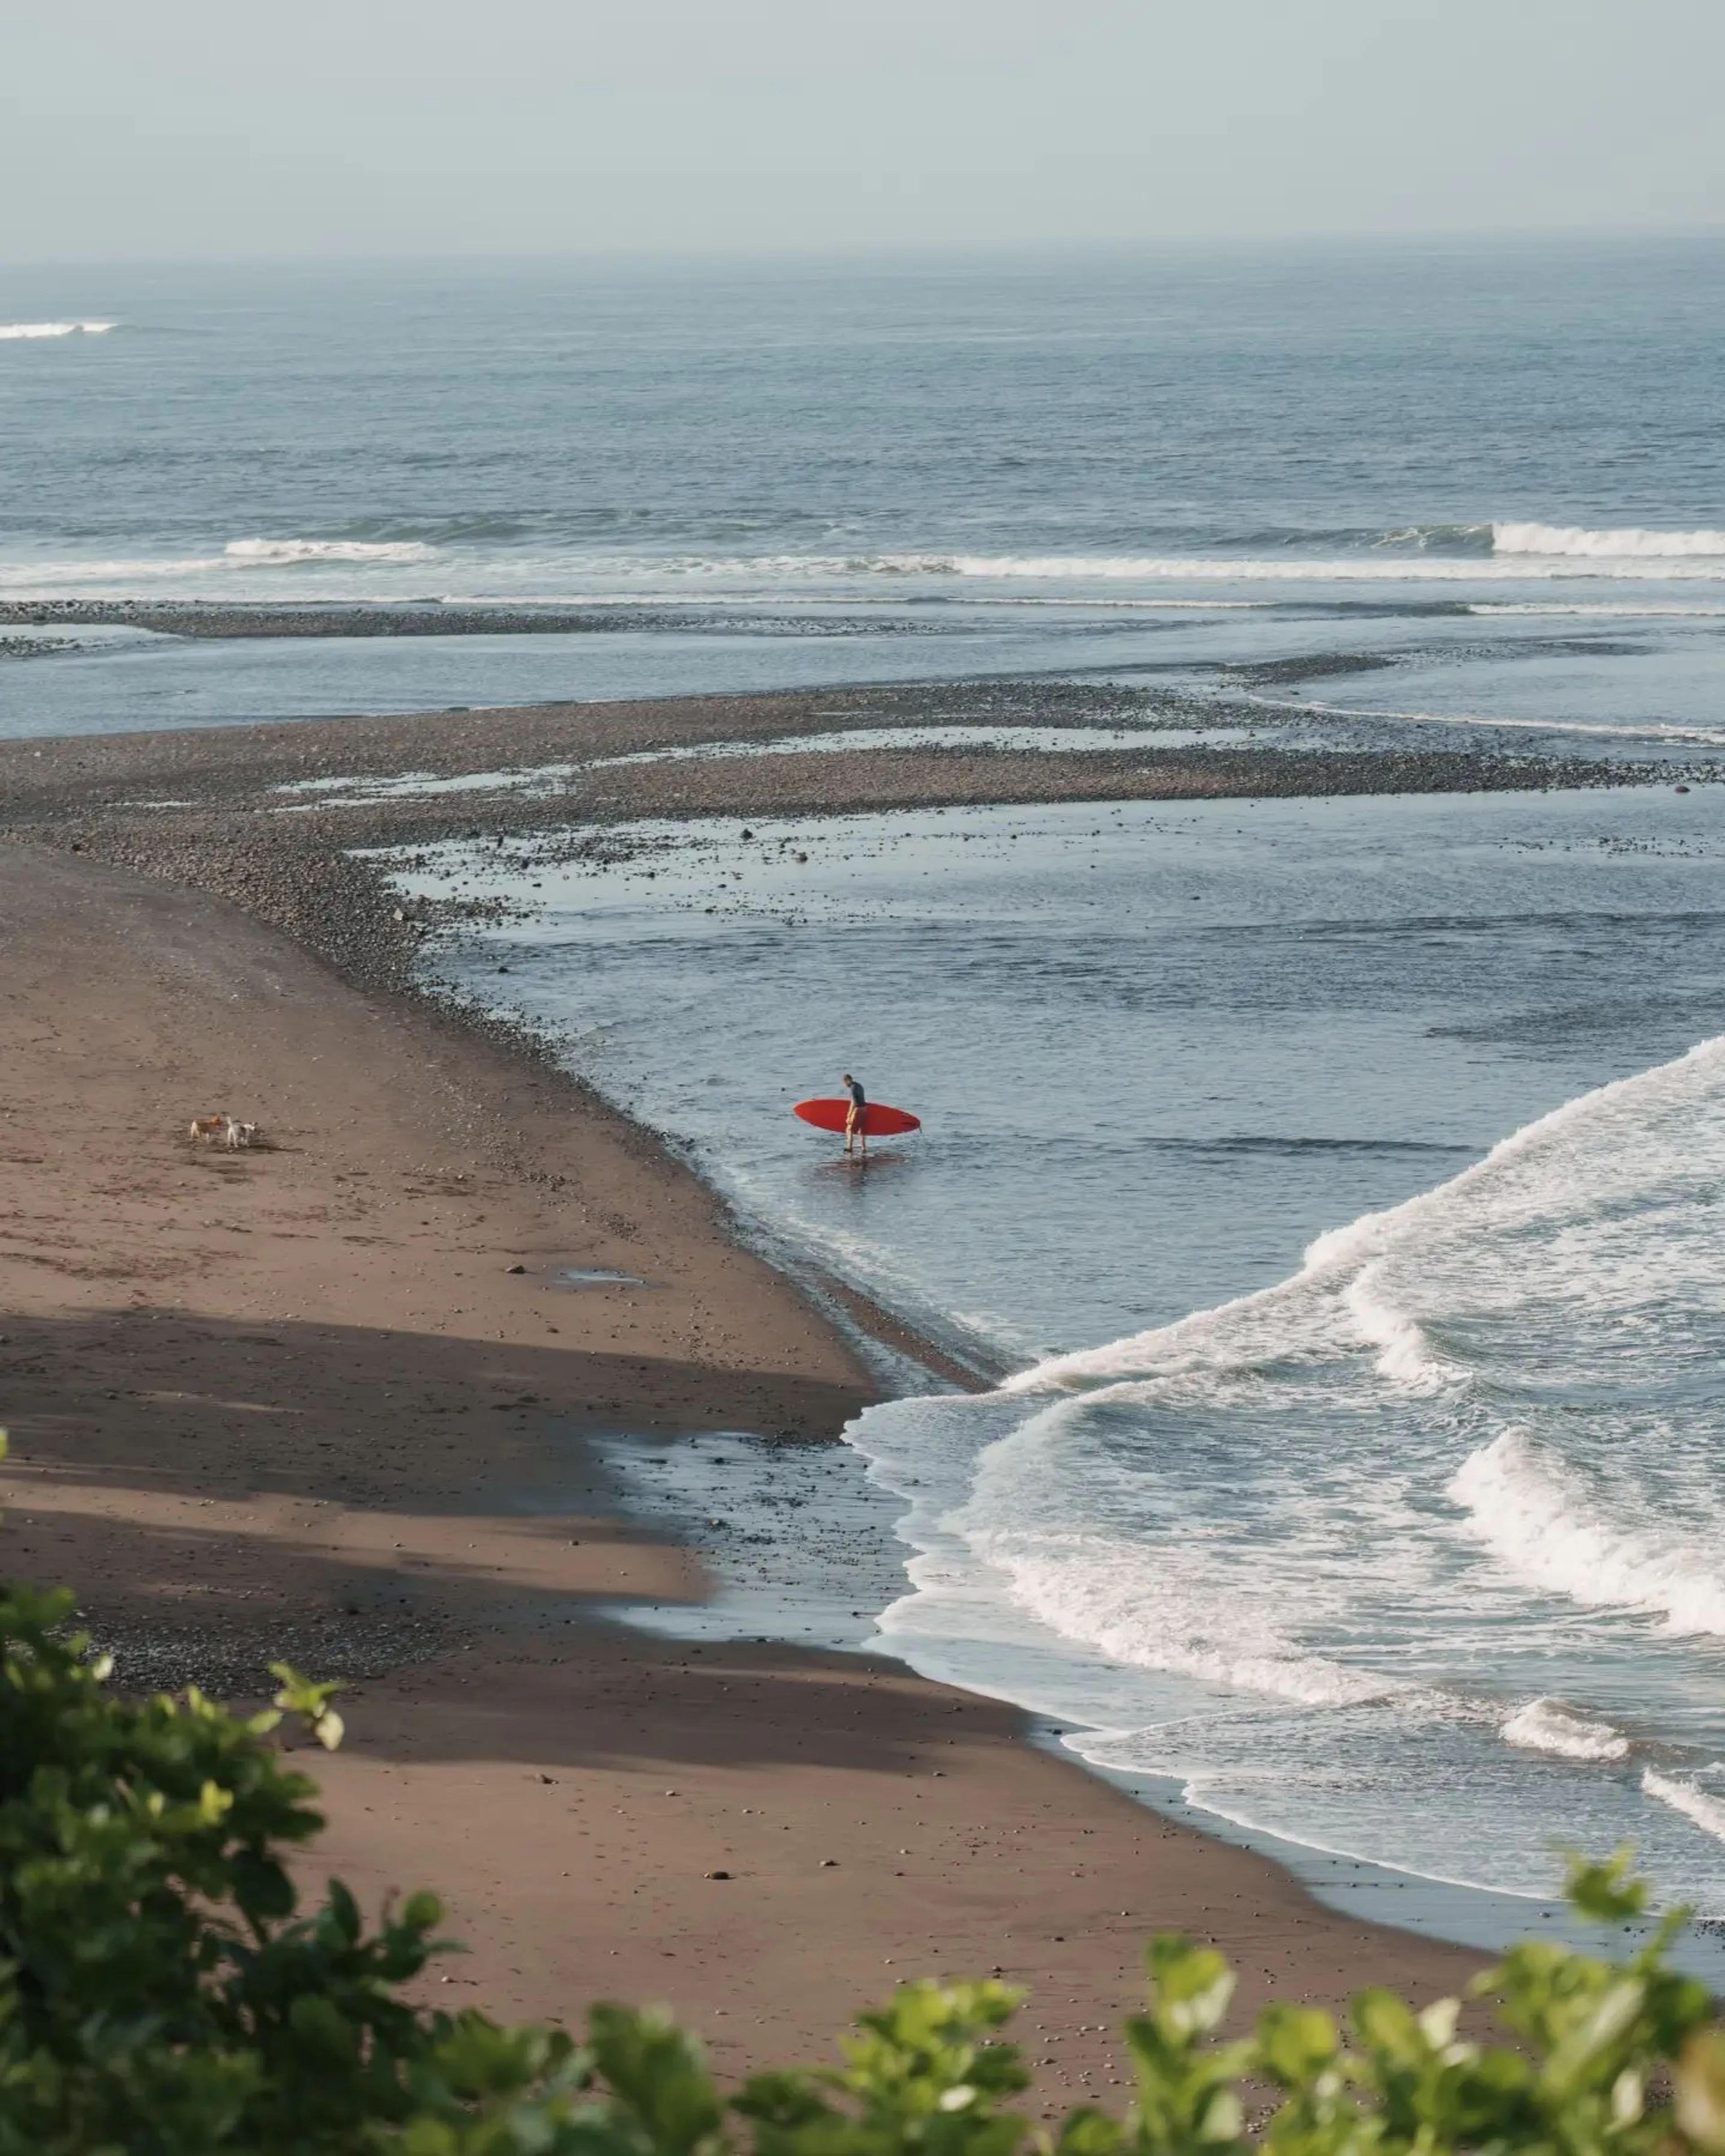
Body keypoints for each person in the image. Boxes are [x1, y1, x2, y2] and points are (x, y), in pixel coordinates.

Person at [841, 1072, 868, 1157]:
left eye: (845, 1083)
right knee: (862, 1129)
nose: (845, 1085)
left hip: (858, 1109)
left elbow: (854, 1103)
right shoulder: (859, 1086)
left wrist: (849, 1116)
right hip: (865, 1109)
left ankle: (850, 1148)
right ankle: (864, 1147)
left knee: (849, 1129)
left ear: (848, 1081)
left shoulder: (853, 1088)